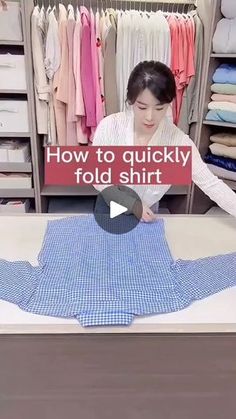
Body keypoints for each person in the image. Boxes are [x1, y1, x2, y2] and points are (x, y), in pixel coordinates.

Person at [92, 60, 236, 222]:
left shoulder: (177, 141)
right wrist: (131, 204)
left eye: (159, 108)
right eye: (142, 107)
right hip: (110, 208)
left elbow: (211, 184)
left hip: (147, 214)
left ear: (169, 103)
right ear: (131, 101)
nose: (149, 117)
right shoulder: (111, 127)